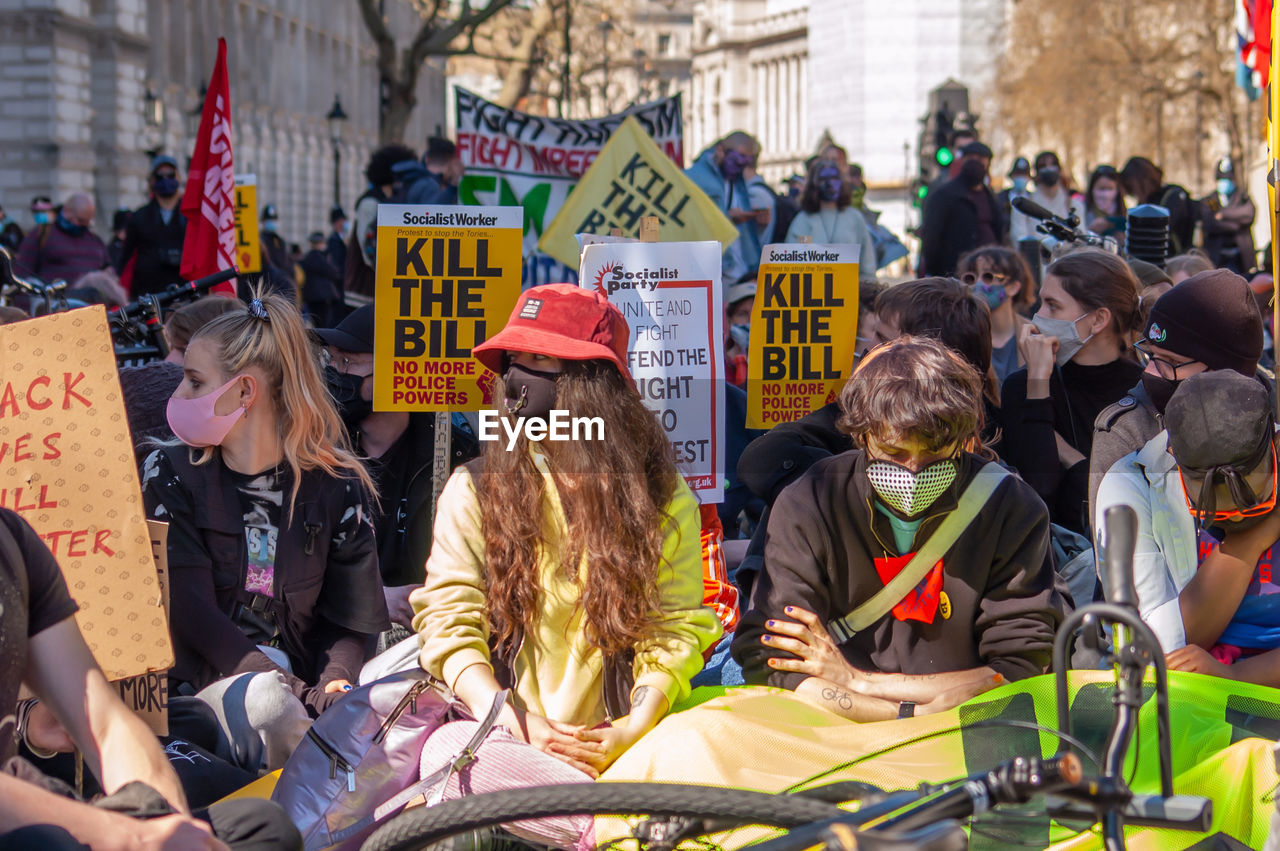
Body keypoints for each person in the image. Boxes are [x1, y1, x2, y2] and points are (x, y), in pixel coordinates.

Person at [409, 283, 720, 846]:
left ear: (591, 386)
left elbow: (674, 627)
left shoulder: (662, 495)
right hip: (508, 740)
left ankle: (601, 815)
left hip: (628, 743)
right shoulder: (475, 488)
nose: (516, 381)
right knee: (448, 753)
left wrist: (634, 727)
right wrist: (514, 721)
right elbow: (448, 624)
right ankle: (609, 829)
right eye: (512, 362)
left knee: (720, 736)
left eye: (539, 360)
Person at [731, 336, 1067, 721]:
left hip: (969, 730)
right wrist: (906, 715)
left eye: (934, 454)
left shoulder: (1011, 507)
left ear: (964, 441)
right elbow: (774, 660)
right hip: (840, 730)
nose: (912, 472)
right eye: (894, 453)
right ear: (861, 436)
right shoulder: (810, 500)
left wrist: (859, 683)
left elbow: (1016, 671)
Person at [139, 292, 389, 771]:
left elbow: (351, 618)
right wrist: (298, 693)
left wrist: (337, 684)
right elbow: (194, 616)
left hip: (310, 687)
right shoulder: (168, 471)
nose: (178, 397)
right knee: (269, 705)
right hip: (208, 689)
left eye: (194, 382)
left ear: (244, 393)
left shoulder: (338, 483)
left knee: (421, 660)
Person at [0, 508, 300, 850]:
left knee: (263, 827)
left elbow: (106, 723)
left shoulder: (13, 543)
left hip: (33, 799)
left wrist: (166, 824)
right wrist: (132, 836)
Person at [1096, 371, 1280, 680]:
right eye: (1214, 507)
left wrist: (1233, 678)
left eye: (1251, 500)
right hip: (1189, 696)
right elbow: (1152, 649)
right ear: (1173, 461)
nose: (1235, 516)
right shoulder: (1131, 484)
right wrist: (1249, 541)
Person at [312, 305, 479, 627]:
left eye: (349, 362)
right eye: (332, 361)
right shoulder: (313, 452)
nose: (335, 374)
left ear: (398, 372)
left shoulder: (456, 456)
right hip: (336, 637)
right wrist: (369, 598)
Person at [1089, 269, 1266, 526]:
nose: (1150, 373)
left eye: (1171, 361)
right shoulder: (1128, 430)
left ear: (1226, 370)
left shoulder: (1272, 416)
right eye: (1151, 354)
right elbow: (1118, 556)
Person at [999, 247, 1143, 536]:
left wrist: (1073, 459)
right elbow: (1037, 493)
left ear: (1098, 320)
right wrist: (1038, 383)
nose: (1038, 316)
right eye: (1040, 303)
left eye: (1053, 306)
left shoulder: (1143, 390)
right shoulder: (1021, 387)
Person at [686, 131, 765, 286]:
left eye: (746, 162)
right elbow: (691, 221)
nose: (741, 165)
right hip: (714, 269)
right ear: (721, 150)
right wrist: (728, 219)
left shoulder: (737, 180)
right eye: (738, 158)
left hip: (739, 269)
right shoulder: (695, 177)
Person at [920, 141, 1005, 277]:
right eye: (972, 159)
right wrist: (935, 271)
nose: (976, 163)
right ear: (963, 160)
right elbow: (932, 236)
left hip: (989, 272)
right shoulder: (944, 195)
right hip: (956, 273)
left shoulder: (990, 196)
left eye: (981, 160)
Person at [346, 144, 418, 297]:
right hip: (365, 291)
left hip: (382, 290)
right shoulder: (370, 203)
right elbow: (368, 251)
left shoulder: (392, 200)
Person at [784, 158, 876, 276]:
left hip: (852, 291)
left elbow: (867, 265)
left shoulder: (854, 218)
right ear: (814, 184)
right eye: (824, 179)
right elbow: (792, 263)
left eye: (834, 178)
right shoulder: (803, 220)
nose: (830, 183)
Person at [956, 246, 1035, 382]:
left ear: (1013, 287)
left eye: (988, 276)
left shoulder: (1035, 334)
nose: (978, 284)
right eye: (970, 278)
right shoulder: (958, 335)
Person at [117, 155, 186, 297]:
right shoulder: (139, 217)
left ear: (178, 178)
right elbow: (126, 257)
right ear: (152, 181)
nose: (166, 180)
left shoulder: (190, 216)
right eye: (160, 176)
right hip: (148, 293)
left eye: (170, 175)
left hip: (183, 291)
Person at [13, 192, 108, 284]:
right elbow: (22, 273)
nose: (77, 223)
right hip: (54, 298)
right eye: (77, 219)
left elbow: (108, 272)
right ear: (66, 210)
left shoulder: (95, 241)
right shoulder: (40, 235)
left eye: (83, 221)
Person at [1120, 156, 1196, 256]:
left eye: (1131, 188)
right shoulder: (1147, 201)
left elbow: (1160, 230)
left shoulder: (1173, 196)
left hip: (1175, 260)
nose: (1133, 194)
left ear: (1139, 183)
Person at [1009, 151, 1086, 245]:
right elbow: (1019, 239)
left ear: (1060, 170)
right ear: (1036, 173)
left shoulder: (1074, 204)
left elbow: (1081, 240)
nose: (1049, 169)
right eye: (1043, 166)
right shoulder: (1024, 205)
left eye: (1053, 164)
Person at [1201, 157, 1257, 275]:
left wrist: (1223, 214)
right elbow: (1210, 224)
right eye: (1221, 179)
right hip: (1216, 259)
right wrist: (1236, 224)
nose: (1224, 183)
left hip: (1241, 260)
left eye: (1228, 179)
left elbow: (1249, 214)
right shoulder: (1210, 201)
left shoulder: (1242, 197)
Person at [300, 231, 343, 328]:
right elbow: (333, 272)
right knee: (323, 323)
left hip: (312, 296)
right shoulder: (319, 257)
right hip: (322, 297)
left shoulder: (308, 257)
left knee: (317, 322)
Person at [723, 280, 754, 388]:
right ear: (729, 319)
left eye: (759, 312)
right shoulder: (719, 361)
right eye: (742, 314)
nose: (751, 320)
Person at [1084, 164, 1126, 241]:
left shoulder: (1125, 216)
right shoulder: (1082, 210)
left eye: (1110, 188)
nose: (1105, 194)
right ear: (1092, 189)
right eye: (1101, 188)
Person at [997, 156, 1032, 236]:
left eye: (1024, 175)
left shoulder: (1033, 198)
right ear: (1012, 176)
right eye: (1018, 174)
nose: (1021, 178)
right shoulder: (1001, 198)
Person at [325, 205, 347, 274]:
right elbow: (336, 262)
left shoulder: (343, 237)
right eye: (340, 220)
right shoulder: (334, 240)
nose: (343, 223)